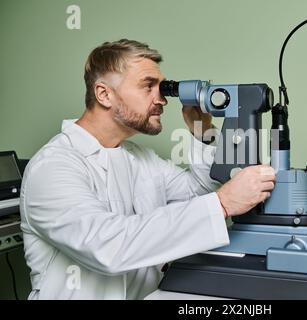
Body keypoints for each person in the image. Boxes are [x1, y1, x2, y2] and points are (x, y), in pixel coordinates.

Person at [19, 39, 276, 299]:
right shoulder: (53, 166)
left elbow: (197, 191)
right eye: (148, 86)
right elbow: (109, 247)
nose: (162, 99)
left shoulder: (140, 158)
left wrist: (203, 129)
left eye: (162, 87)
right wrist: (223, 203)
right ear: (104, 94)